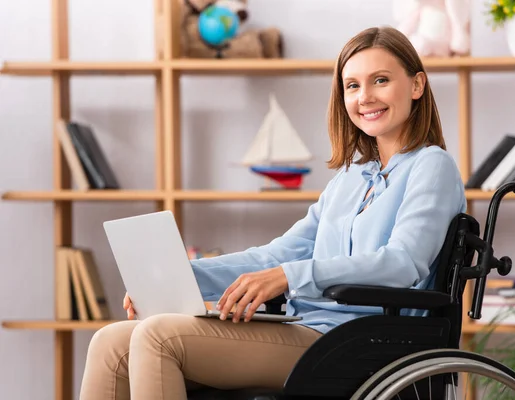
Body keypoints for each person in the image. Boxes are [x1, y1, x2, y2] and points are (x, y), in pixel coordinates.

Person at [79, 26, 466, 400]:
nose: (365, 96)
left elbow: (403, 263)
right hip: (307, 328)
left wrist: (289, 277)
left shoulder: (432, 166)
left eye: (380, 80)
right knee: (111, 341)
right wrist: (185, 278)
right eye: (352, 85)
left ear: (416, 85)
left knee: (158, 336)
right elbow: (277, 255)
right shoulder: (350, 177)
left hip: (361, 341)